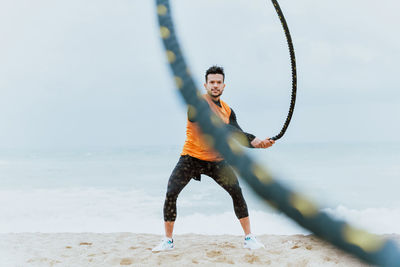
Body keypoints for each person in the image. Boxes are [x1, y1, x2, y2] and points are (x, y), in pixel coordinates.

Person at [152, 66, 275, 252]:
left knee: (236, 192)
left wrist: (257, 144)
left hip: (216, 160)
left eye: (218, 82)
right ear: (206, 85)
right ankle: (168, 240)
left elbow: (236, 134)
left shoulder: (227, 110)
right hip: (191, 157)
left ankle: (249, 238)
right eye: (212, 82)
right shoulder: (197, 104)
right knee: (171, 191)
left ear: (224, 86)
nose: (215, 86)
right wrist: (254, 138)